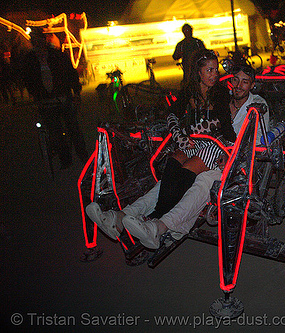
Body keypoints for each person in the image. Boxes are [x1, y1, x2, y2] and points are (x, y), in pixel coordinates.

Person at [86, 63, 269, 250]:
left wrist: (229, 155)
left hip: (231, 162)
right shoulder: (222, 98)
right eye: (235, 80)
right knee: (170, 178)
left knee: (204, 181)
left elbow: (258, 142)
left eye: (245, 82)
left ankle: (158, 226)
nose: (238, 85)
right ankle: (121, 217)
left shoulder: (258, 105)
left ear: (252, 85)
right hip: (205, 148)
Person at [22, 28, 88, 169]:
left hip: (63, 98)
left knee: (73, 129)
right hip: (45, 101)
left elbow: (71, 74)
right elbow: (28, 80)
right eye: (33, 41)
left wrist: (76, 92)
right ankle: (66, 159)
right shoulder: (30, 60)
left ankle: (84, 156)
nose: (36, 44)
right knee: (55, 133)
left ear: (43, 40)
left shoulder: (58, 56)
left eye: (38, 40)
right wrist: (35, 96)